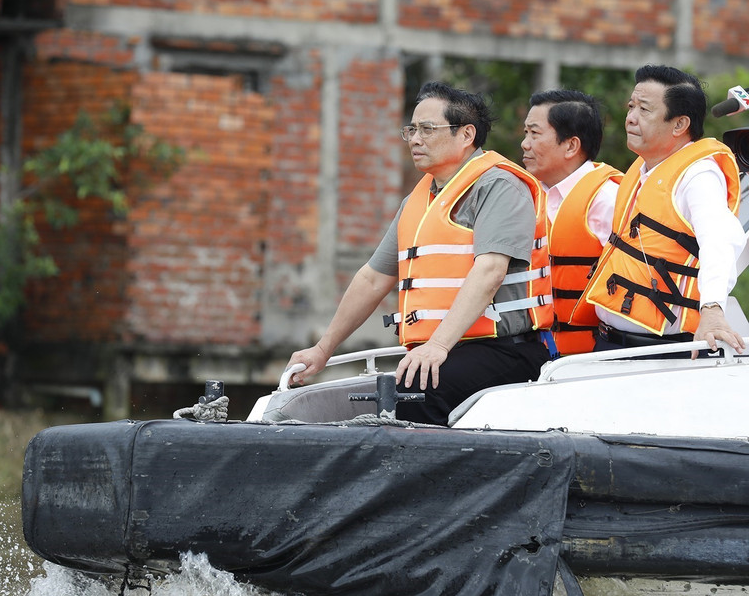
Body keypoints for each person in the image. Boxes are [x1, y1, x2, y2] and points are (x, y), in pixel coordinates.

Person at [287, 82, 552, 426]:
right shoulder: (419, 201)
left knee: (413, 392)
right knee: (401, 387)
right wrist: (323, 349)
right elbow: (372, 278)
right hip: (442, 349)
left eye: (427, 129)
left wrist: (437, 346)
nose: (414, 139)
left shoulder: (499, 186)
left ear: (466, 134)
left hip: (503, 348)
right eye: (411, 129)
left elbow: (490, 272)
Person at [570, 65, 747, 357]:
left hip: (665, 354)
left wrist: (713, 309)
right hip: (611, 345)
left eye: (644, 109)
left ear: (679, 125)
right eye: (631, 106)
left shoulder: (699, 175)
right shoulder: (643, 169)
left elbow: (720, 242)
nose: (631, 117)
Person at [521, 89, 622, 355]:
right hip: (527, 355)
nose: (525, 144)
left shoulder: (608, 199)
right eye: (525, 133)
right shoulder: (523, 197)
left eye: (534, 133)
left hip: (590, 358)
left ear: (571, 145)